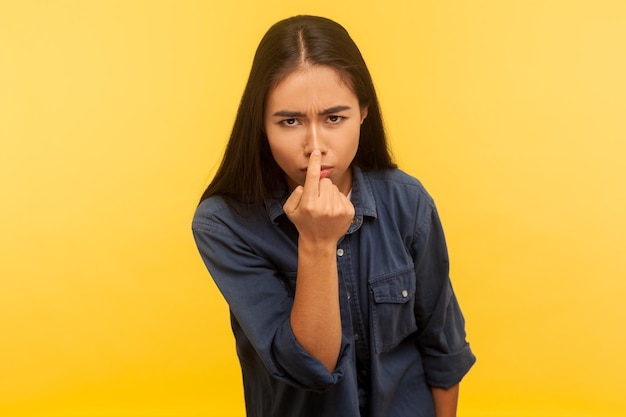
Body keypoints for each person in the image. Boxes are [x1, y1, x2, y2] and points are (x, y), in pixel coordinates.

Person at [192, 15, 475, 417]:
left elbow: (442, 346)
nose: (315, 146)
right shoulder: (223, 224)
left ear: (362, 112)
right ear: (261, 124)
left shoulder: (407, 201)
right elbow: (311, 366)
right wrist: (318, 243)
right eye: (290, 121)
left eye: (334, 118)